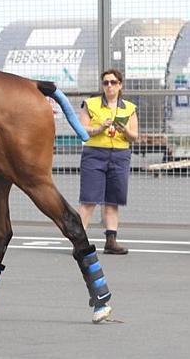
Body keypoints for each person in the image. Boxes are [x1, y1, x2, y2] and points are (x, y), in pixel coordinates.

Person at [78, 69, 138, 255]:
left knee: (113, 200)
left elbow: (134, 136)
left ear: (120, 85)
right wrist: (99, 128)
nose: (109, 86)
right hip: (94, 154)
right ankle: (78, 241)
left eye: (113, 82)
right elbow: (82, 129)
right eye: (106, 83)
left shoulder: (129, 108)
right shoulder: (90, 104)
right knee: (88, 200)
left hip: (120, 155)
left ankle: (111, 241)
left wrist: (124, 131)